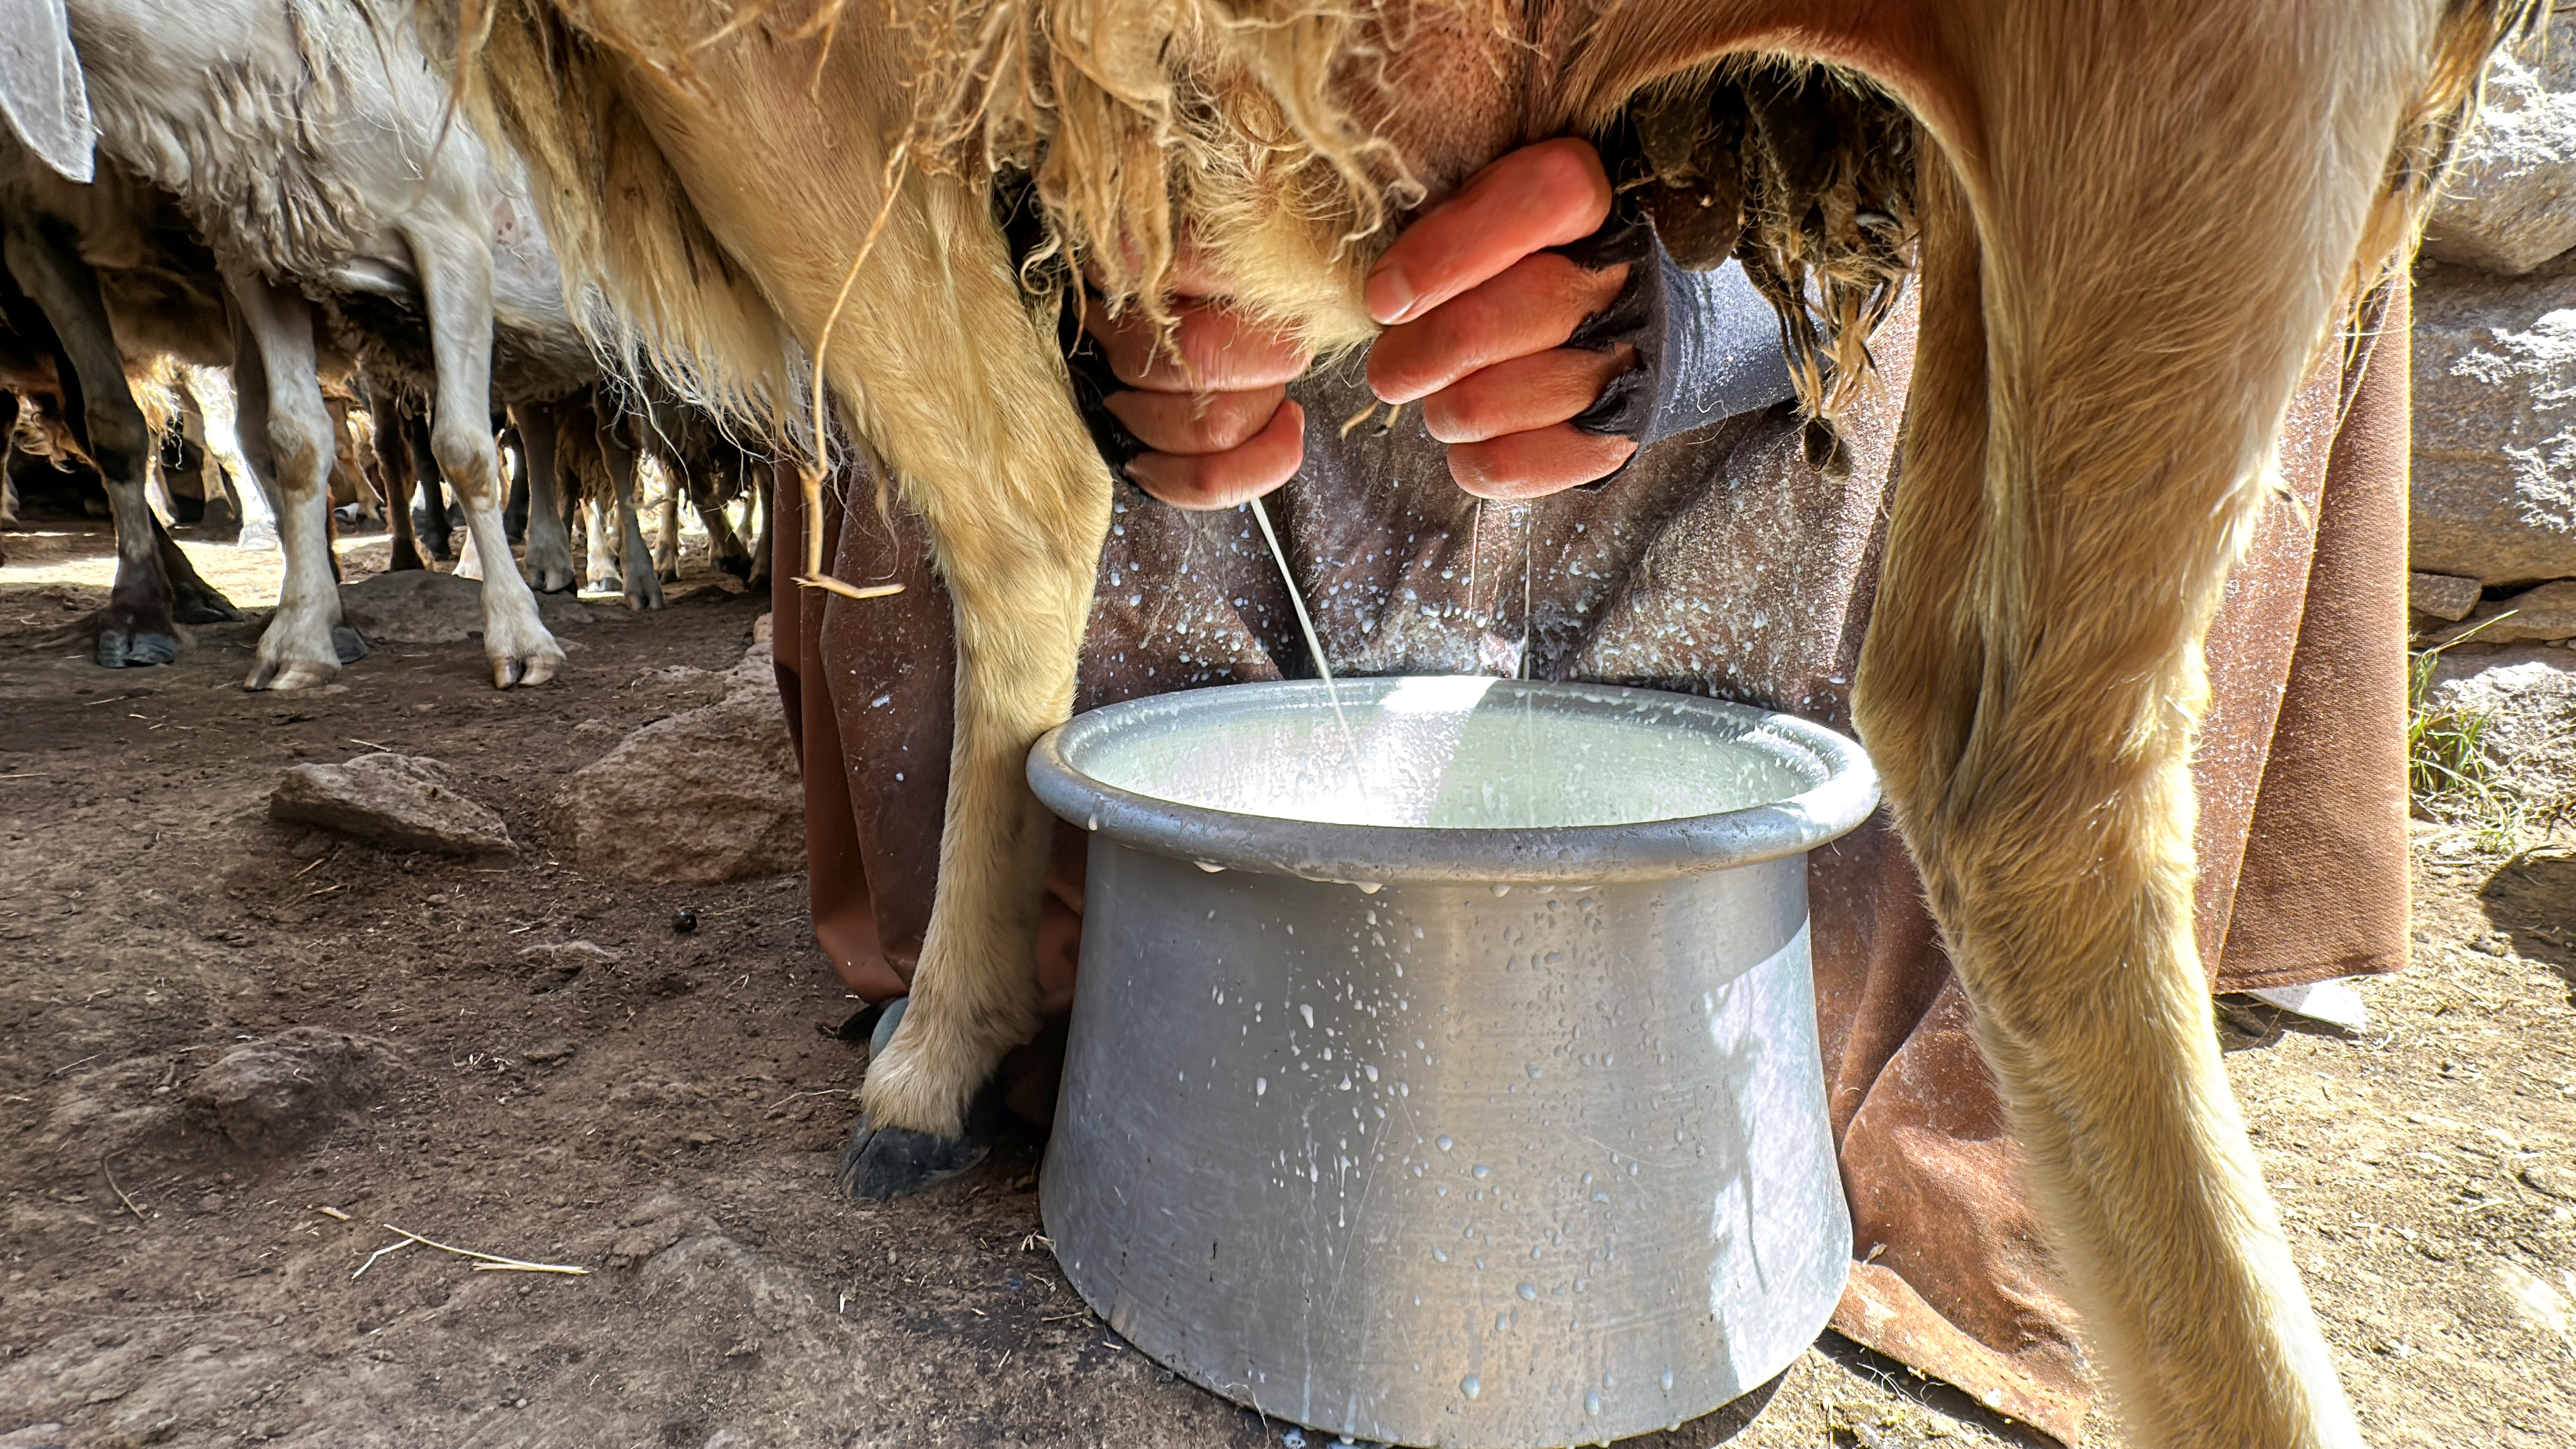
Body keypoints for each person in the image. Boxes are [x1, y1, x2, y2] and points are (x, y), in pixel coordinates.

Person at [774, 137, 2408, 1445]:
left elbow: (2078, 116)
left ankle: (1871, 991)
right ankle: (1049, 947)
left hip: (1755, 306)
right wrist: (1064, 298)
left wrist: (1722, 305)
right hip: (1242, 378)